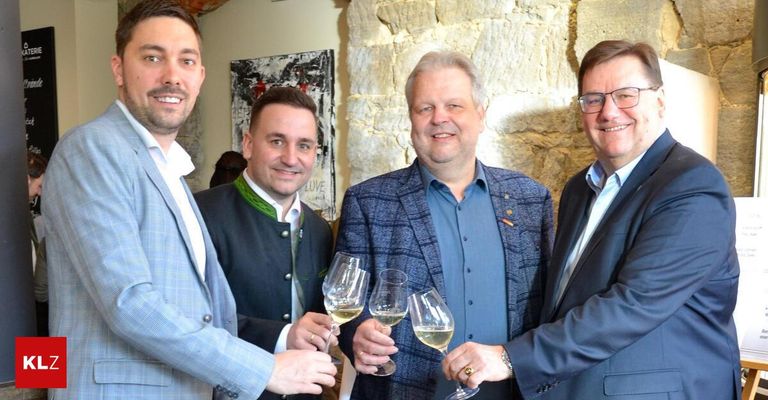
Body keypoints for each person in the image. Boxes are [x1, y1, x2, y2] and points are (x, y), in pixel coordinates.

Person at [42, 1, 336, 399]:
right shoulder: (92, 149)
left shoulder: (173, 173)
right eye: (152, 57)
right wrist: (263, 367)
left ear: (199, 76)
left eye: (186, 61)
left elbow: (209, 314)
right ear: (118, 69)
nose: (171, 76)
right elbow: (129, 302)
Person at [443, 40, 741, 399]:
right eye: (594, 99)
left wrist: (510, 358)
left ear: (660, 101)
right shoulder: (578, 190)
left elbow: (633, 304)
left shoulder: (692, 186)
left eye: (626, 95)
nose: (609, 112)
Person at [335, 50, 554, 399]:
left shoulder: (531, 200)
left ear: (480, 116)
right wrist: (356, 335)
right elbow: (347, 307)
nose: (440, 118)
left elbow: (549, 309)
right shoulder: (368, 201)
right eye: (425, 108)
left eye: (454, 106)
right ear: (411, 119)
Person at [195, 86, 335, 400]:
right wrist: (285, 336)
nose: (290, 158)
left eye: (304, 145)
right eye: (276, 141)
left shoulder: (320, 229)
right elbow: (185, 323)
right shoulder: (198, 214)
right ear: (248, 144)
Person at [27, 150, 48, 336]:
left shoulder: (24, 215)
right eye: (39, 185)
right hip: (28, 309)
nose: (40, 193)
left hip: (31, 308)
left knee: (39, 364)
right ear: (26, 179)